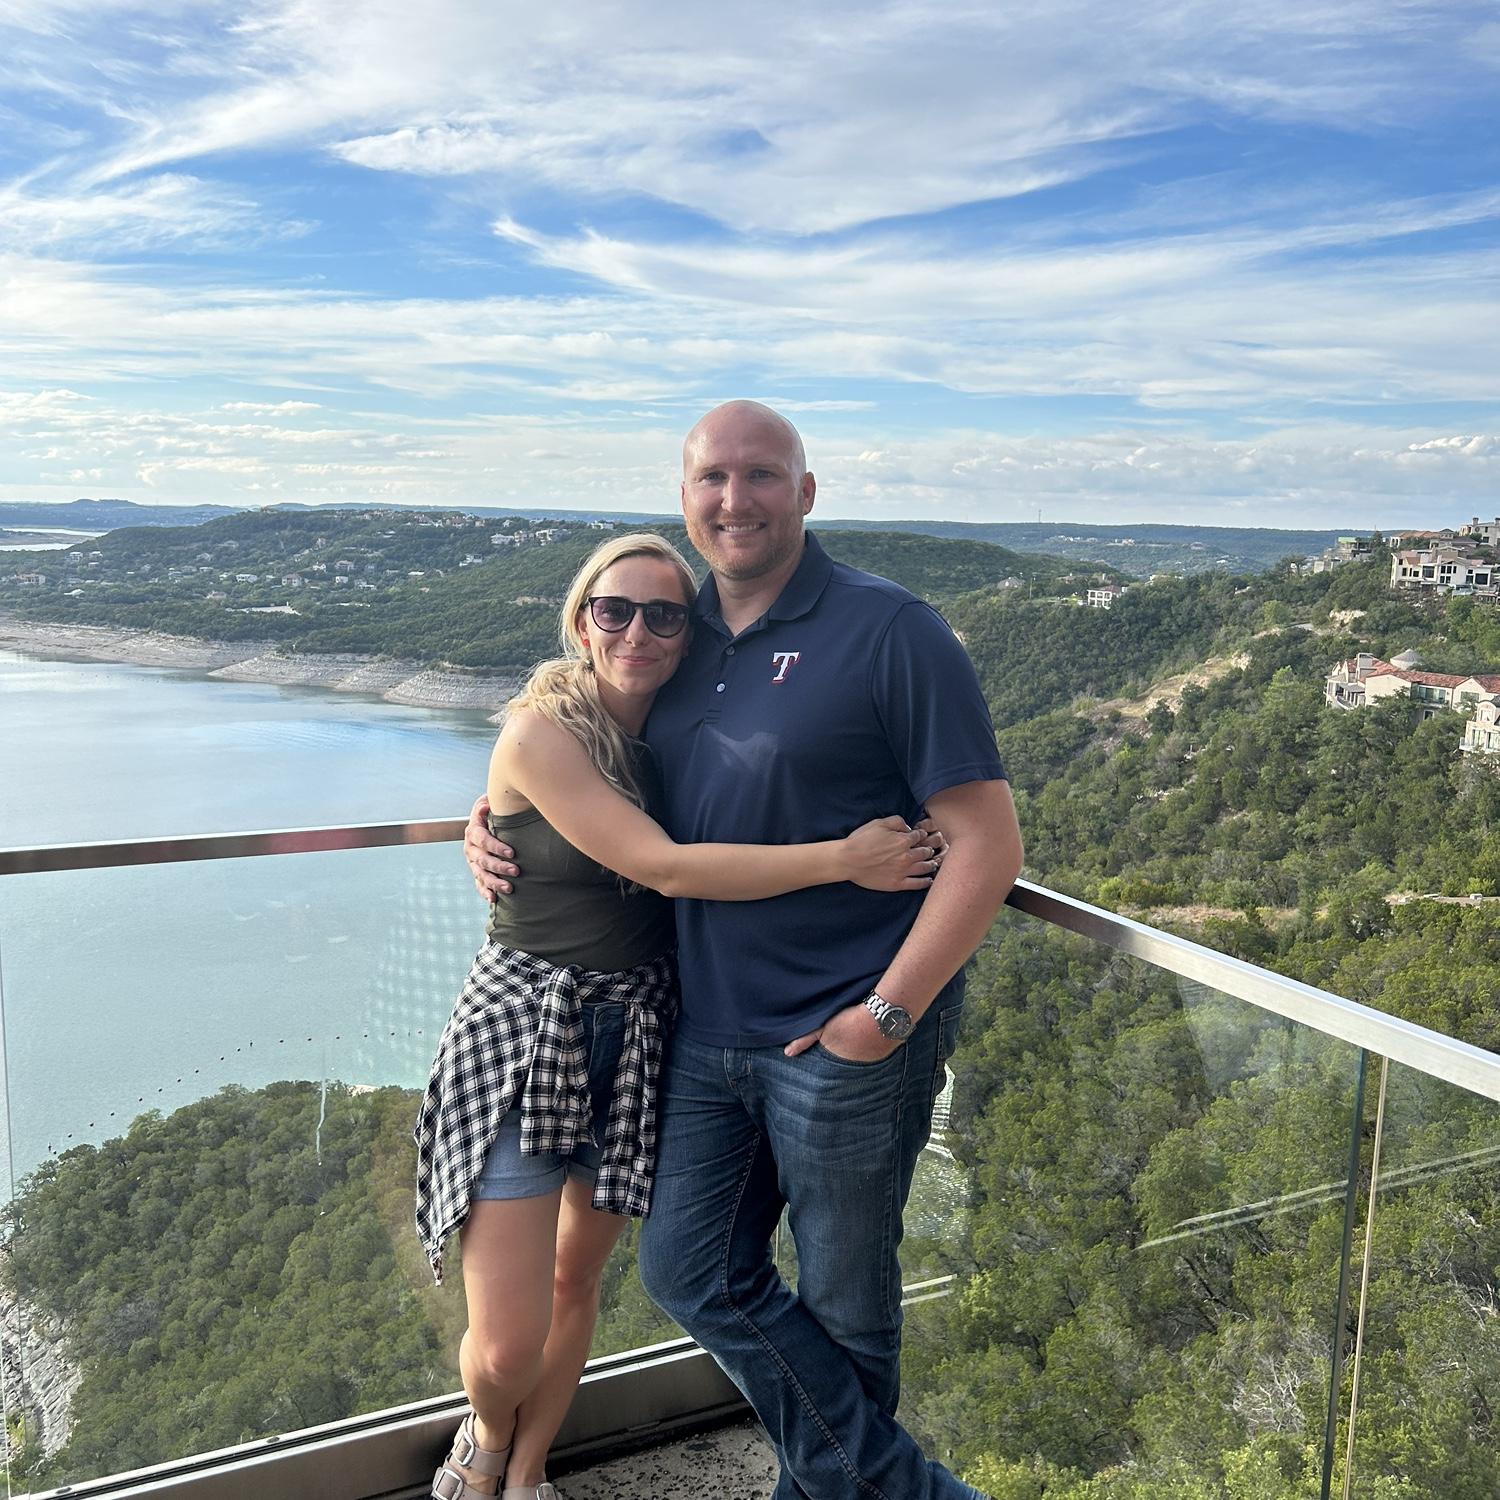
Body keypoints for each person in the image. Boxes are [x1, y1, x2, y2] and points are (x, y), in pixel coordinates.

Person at [468, 402, 1023, 1500]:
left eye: (762, 475)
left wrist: (888, 1015)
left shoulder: (891, 630)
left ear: (805, 492)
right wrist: (489, 821)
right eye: (712, 479)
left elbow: (989, 845)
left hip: (847, 1029)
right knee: (687, 1270)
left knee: (846, 1304)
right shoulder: (680, 638)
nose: (736, 499)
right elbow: (599, 776)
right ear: (684, 499)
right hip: (703, 1029)